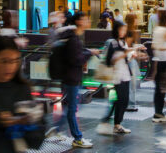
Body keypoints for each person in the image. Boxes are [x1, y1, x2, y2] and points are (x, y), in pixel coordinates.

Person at [54, 12, 98, 148]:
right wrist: (89, 53)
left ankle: (55, 130)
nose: (88, 21)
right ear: (78, 21)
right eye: (85, 19)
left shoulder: (75, 37)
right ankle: (77, 138)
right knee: (72, 109)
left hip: (71, 77)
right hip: (71, 78)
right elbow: (76, 59)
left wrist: (87, 52)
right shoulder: (73, 38)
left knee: (69, 108)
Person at [97, 20, 134, 135]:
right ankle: (112, 123)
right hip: (116, 76)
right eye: (121, 29)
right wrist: (124, 53)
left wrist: (133, 55)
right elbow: (110, 61)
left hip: (125, 74)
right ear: (116, 29)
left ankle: (115, 123)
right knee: (120, 100)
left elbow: (126, 59)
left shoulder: (123, 43)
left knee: (123, 100)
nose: (123, 32)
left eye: (124, 29)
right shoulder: (112, 42)